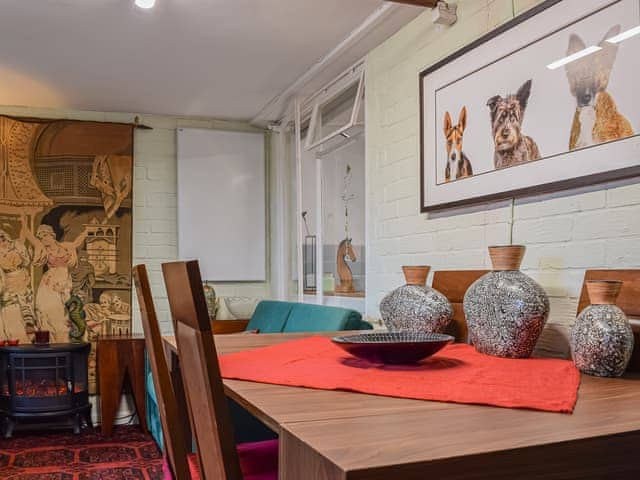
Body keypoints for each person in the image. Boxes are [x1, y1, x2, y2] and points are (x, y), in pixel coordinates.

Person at [20, 215, 89, 343]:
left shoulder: (65, 246)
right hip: (49, 283)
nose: (44, 240)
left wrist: (86, 232)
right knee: (46, 309)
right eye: (41, 237)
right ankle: (50, 339)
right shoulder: (44, 250)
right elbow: (31, 238)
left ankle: (63, 340)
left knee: (63, 312)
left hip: (63, 280)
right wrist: (24, 224)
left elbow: (77, 242)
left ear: (52, 236)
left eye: (45, 236)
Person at [0, 227, 36, 341]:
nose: (1, 242)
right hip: (8, 279)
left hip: (21, 275)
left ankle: (29, 322)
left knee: (24, 299)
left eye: (3, 239)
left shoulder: (16, 246)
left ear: (6, 238)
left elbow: (26, 261)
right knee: (10, 305)